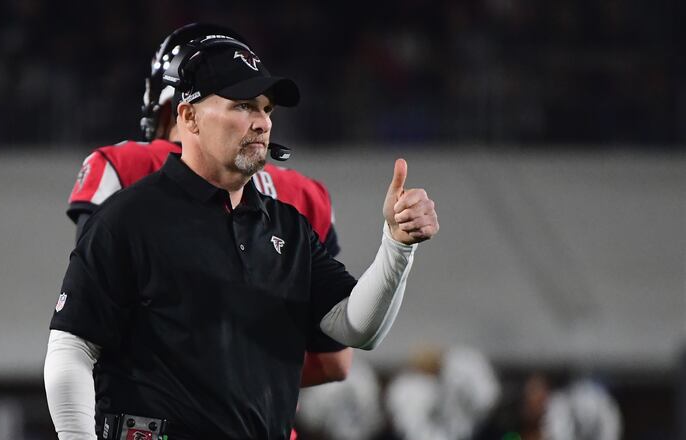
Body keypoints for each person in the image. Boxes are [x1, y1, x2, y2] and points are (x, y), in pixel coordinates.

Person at [44, 29, 439, 440]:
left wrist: (396, 245)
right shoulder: (128, 218)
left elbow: (357, 329)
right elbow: (72, 348)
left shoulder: (288, 227)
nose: (262, 122)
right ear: (188, 117)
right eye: (243, 105)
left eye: (267, 109)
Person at [65, 24, 351, 389]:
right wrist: (250, 376)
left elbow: (89, 321)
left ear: (176, 110)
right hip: (261, 416)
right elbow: (334, 362)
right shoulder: (306, 194)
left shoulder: (125, 165)